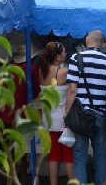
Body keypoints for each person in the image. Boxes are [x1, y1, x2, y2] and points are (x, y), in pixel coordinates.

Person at [66, 30, 106, 185]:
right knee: (101, 155)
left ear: (88, 40)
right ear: (101, 43)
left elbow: (72, 90)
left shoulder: (76, 58)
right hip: (101, 114)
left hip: (81, 115)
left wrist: (66, 114)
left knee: (80, 155)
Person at [36, 42, 73, 185]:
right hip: (62, 118)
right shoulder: (63, 72)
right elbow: (73, 90)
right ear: (58, 57)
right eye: (63, 52)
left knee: (54, 155)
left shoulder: (42, 71)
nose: (65, 54)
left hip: (48, 118)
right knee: (69, 155)